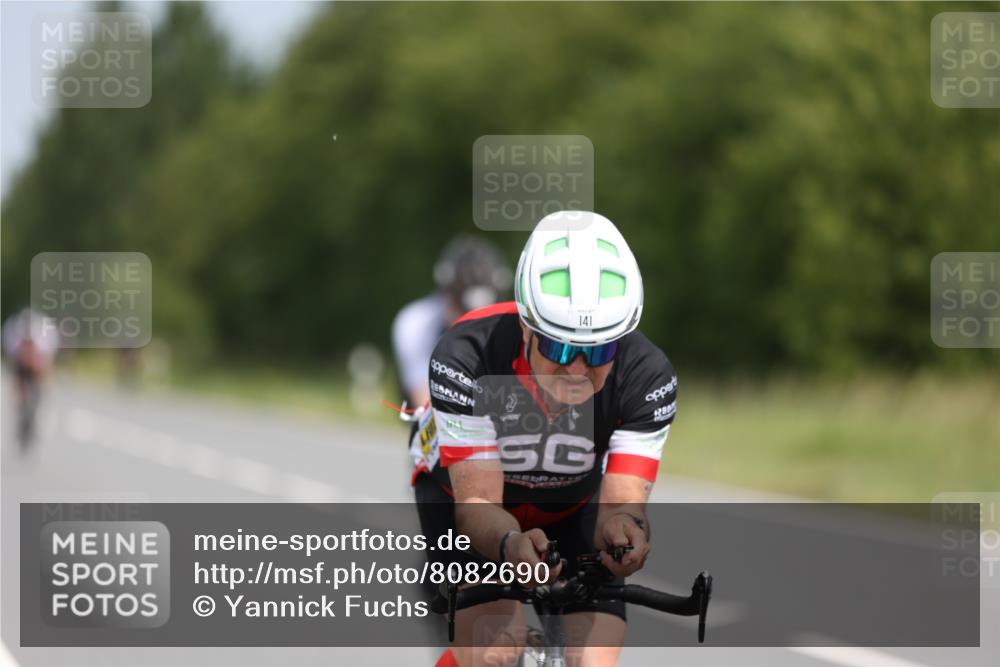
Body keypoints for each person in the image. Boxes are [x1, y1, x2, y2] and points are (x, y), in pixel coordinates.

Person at [409, 212, 678, 667]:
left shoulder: (646, 374)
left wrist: (625, 530)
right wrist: (509, 545)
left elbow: (622, 503)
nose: (577, 369)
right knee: (495, 650)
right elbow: (478, 506)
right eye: (559, 348)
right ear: (526, 327)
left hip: (571, 504)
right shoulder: (466, 356)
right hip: (466, 503)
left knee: (592, 661)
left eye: (598, 350)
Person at [392, 236, 511, 409]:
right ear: (445, 296)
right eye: (463, 311)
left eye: (484, 313)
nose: (474, 324)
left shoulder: (512, 326)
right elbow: (423, 401)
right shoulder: (415, 323)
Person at [2, 308, 60, 447]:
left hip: (40, 360)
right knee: (18, 381)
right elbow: (14, 361)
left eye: (30, 342)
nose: (27, 344)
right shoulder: (12, 336)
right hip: (18, 360)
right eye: (25, 341)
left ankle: (40, 406)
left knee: (42, 380)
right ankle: (20, 409)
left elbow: (46, 363)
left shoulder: (46, 338)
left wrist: (44, 383)